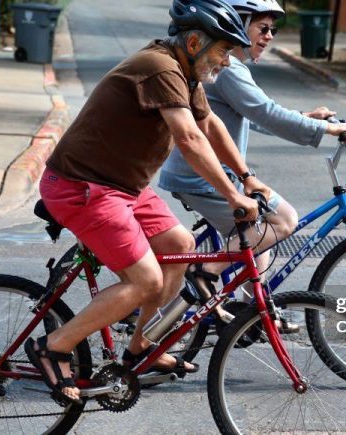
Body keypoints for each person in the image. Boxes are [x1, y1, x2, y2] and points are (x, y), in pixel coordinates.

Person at [27, 0, 272, 405]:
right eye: (223, 51)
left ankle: (142, 345)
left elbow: (207, 125)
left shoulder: (185, 72)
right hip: (82, 186)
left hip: (122, 186)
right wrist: (232, 197)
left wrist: (246, 177)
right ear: (194, 41)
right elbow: (189, 139)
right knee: (146, 280)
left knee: (180, 246)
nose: (227, 62)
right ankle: (52, 347)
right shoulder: (160, 67)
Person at [158, 0, 346, 310]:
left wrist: (306, 117)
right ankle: (204, 273)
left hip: (209, 173)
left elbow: (252, 116)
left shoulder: (229, 66)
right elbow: (265, 112)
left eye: (273, 30)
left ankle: (255, 312)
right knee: (282, 219)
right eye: (262, 28)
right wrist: (325, 130)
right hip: (202, 176)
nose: (269, 36)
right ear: (239, 22)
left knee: (260, 232)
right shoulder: (229, 69)